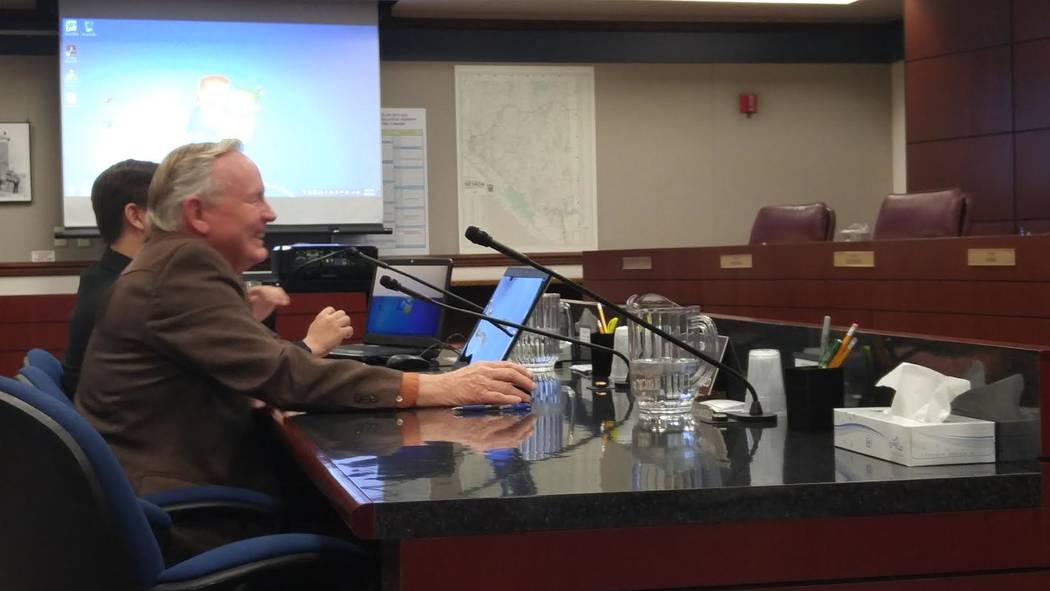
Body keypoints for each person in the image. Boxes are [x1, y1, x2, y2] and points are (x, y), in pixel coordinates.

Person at [76, 139, 534, 498]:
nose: (270, 213)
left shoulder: (167, 262)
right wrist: (438, 387)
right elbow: (282, 374)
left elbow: (259, 366)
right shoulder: (182, 267)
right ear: (197, 212)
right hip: (187, 509)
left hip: (166, 490)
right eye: (255, 200)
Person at [62, 159, 353, 395]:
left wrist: (239, 320)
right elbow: (248, 379)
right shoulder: (153, 289)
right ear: (136, 217)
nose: (182, 220)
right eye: (167, 209)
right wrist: (311, 346)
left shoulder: (105, 279)